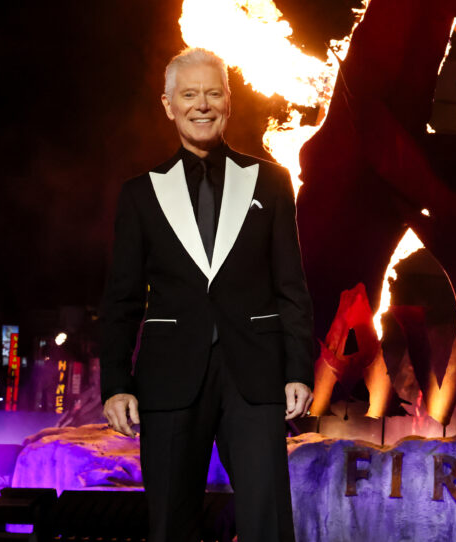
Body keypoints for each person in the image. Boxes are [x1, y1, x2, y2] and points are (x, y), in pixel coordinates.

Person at [101, 47, 315, 542]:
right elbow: (121, 300)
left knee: (268, 523)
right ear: (168, 104)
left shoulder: (271, 182)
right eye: (189, 94)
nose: (202, 105)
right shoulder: (140, 194)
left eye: (213, 93)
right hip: (168, 377)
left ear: (228, 101)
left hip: (255, 376)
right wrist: (115, 383)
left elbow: (291, 286)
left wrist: (299, 369)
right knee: (170, 524)